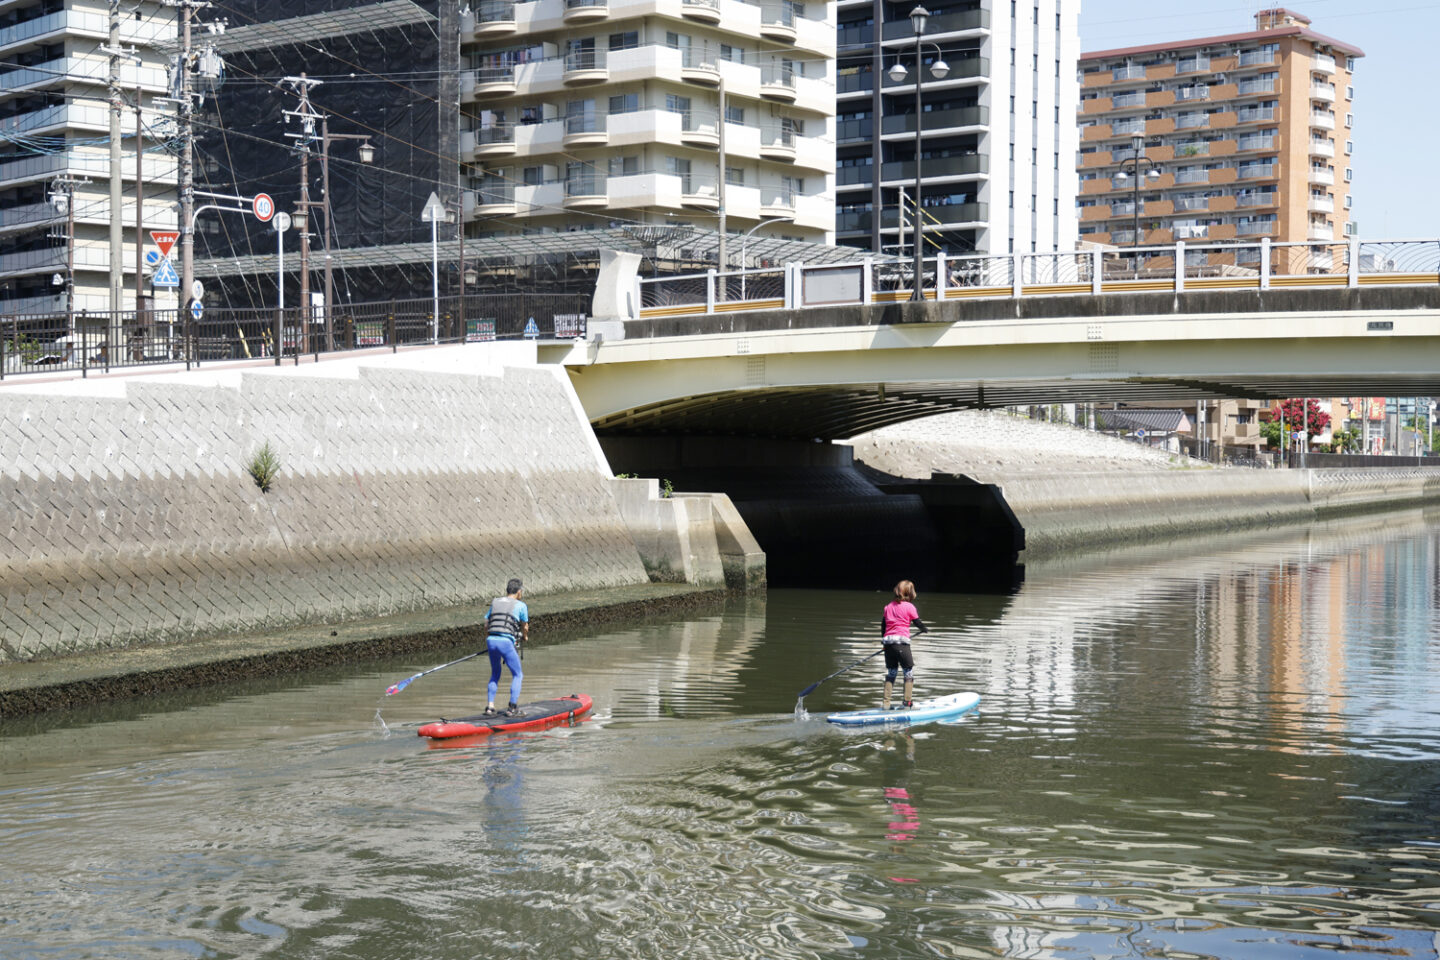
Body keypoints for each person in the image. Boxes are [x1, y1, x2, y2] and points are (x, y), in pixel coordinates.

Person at [483, 578, 530, 717]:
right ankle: (512, 708)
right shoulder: (521, 605)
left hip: (491, 640)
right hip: (506, 642)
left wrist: (488, 639)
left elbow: (486, 623)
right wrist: (525, 637)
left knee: (495, 673)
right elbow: (525, 626)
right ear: (519, 592)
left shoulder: (495, 602)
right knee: (518, 674)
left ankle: (490, 707)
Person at [880, 580, 928, 710]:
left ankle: (886, 704)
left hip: (888, 643)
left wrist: (883, 642)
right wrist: (924, 629)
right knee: (908, 672)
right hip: (901, 643)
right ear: (910, 593)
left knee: (892, 672)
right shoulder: (909, 607)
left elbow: (883, 626)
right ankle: (907, 703)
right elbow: (916, 622)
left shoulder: (888, 607)